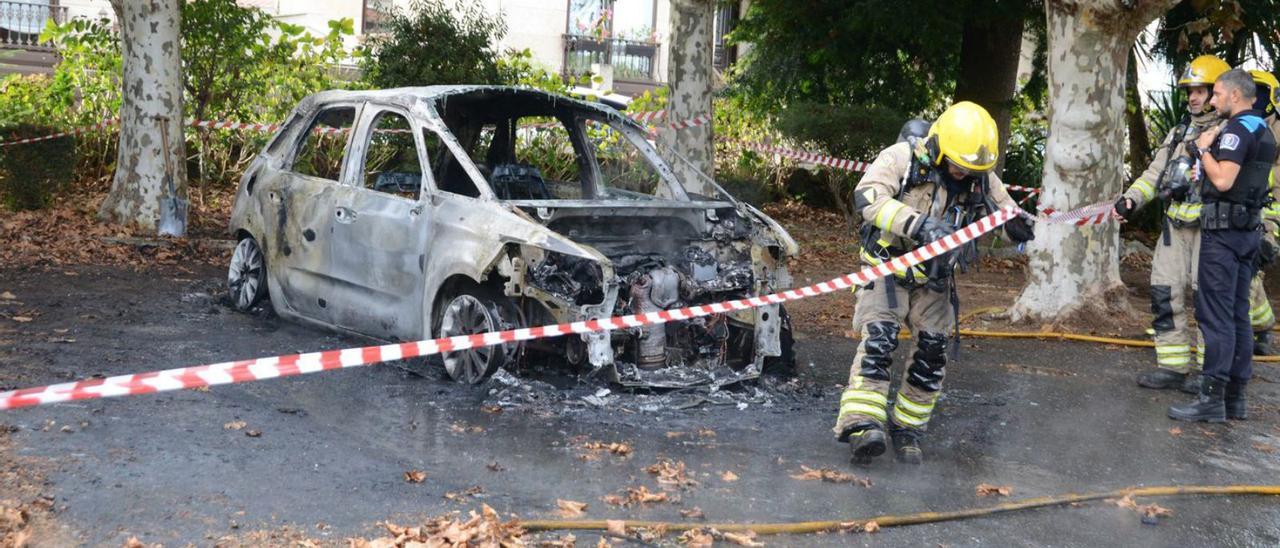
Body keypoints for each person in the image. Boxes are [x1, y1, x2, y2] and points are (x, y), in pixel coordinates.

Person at [835, 101, 1036, 464]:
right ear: (940, 146)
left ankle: (908, 427)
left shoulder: (980, 175)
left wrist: (1017, 228)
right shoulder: (901, 158)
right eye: (958, 164)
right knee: (879, 341)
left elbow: (1003, 214)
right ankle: (862, 426)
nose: (963, 173)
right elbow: (867, 198)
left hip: (935, 280)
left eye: (972, 169)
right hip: (887, 272)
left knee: (931, 351)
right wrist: (919, 224)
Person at [1113, 55, 1230, 394]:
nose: (1193, 97)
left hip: (1212, 230)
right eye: (1190, 91)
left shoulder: (1232, 133)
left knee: (1208, 301)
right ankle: (1173, 367)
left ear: (1218, 91)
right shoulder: (1180, 131)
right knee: (1164, 293)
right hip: (1174, 228)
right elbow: (1155, 174)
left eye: (1201, 90)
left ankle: (1211, 375)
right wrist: (1132, 199)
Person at [1169, 69, 1278, 423]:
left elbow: (1223, 178)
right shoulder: (1263, 129)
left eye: (1216, 94)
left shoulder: (1234, 131)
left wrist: (1202, 150)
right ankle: (1235, 398)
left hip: (1224, 234)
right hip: (1247, 233)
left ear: (1234, 95)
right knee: (1238, 315)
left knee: (1215, 317)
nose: (1213, 101)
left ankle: (1211, 397)